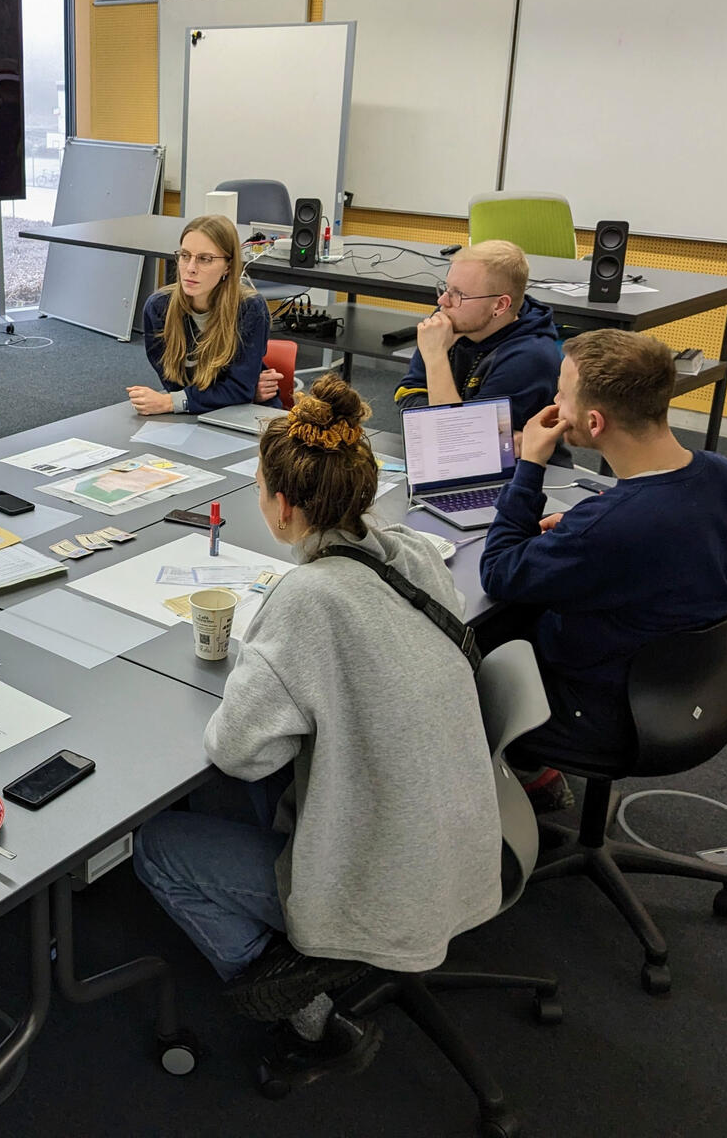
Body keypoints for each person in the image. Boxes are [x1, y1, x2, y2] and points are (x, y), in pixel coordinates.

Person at [133, 375, 501, 1091]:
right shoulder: (412, 553)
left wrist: (263, 667)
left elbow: (238, 752)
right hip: (468, 837)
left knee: (158, 847)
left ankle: (305, 1005)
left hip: (390, 882)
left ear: (284, 505)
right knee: (263, 788)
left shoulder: (306, 599)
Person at [480, 328, 727, 808]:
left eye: (561, 394)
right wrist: (585, 532)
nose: (553, 401)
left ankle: (518, 783)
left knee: (461, 649)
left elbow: (500, 570)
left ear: (593, 421)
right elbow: (665, 538)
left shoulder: (607, 527)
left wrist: (530, 466)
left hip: (602, 710)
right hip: (686, 684)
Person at [395, 239, 562, 437]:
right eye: (447, 288)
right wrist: (436, 420)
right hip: (447, 456)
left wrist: (435, 357)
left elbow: (458, 440)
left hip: (524, 466)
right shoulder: (449, 317)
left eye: (459, 294)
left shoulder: (530, 358)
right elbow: (407, 391)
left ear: (499, 306)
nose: (443, 301)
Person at [130, 214, 281, 415]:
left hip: (246, 414)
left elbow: (239, 390)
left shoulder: (249, 308)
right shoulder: (159, 307)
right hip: (191, 414)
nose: (190, 269)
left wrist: (170, 403)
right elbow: (174, 383)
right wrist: (239, 391)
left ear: (228, 265)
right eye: (185, 256)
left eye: (205, 259)